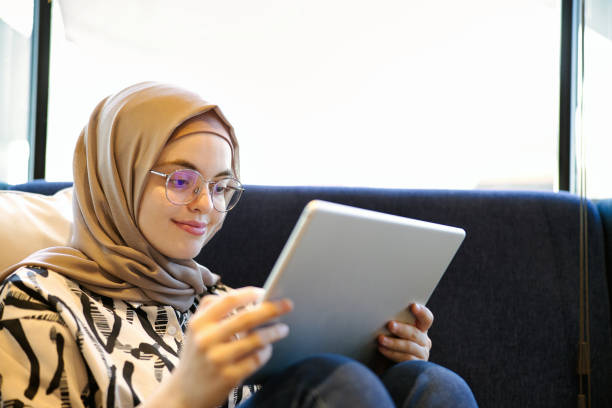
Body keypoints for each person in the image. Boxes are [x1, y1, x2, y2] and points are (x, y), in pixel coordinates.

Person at [0, 82, 478, 407]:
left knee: (430, 384)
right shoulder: (37, 298)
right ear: (116, 178)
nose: (206, 205)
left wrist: (386, 355)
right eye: (183, 179)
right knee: (334, 383)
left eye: (223, 186)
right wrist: (185, 395)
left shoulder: (221, 305)